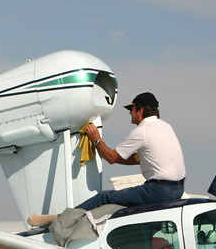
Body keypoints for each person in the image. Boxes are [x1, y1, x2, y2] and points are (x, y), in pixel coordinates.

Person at [27, 92, 186, 226]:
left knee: (104, 197)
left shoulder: (142, 130)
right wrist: (111, 154)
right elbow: (137, 159)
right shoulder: (165, 126)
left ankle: (61, 219)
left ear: (141, 111)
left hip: (158, 190)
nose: (130, 113)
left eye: (132, 109)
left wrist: (96, 139)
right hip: (177, 189)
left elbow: (110, 157)